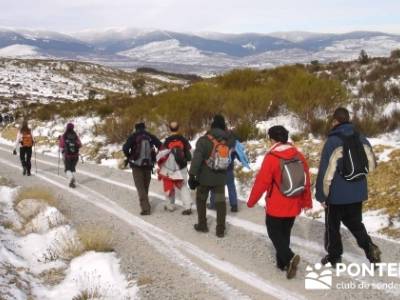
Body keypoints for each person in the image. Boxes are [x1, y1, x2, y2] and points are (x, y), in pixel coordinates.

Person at [315, 107, 380, 267]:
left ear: (335, 121)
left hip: (337, 195)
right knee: (356, 224)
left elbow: (326, 173)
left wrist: (322, 196)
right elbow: (371, 165)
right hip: (357, 192)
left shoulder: (333, 141)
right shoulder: (362, 138)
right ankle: (370, 248)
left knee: (333, 227)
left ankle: (334, 257)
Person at [247, 125, 312, 279]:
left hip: (276, 204)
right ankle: (282, 263)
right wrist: (306, 201)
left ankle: (289, 257)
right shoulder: (298, 154)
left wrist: (251, 202)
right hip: (294, 201)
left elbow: (261, 182)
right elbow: (306, 180)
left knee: (274, 231)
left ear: (272, 139)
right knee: (285, 233)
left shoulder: (272, 157)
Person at [189, 114, 234, 238]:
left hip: (204, 178)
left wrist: (192, 175)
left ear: (212, 126)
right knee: (220, 203)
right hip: (220, 177)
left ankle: (202, 225)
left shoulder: (203, 140)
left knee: (201, 200)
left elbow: (197, 159)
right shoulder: (228, 140)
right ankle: (220, 229)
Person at [123, 122, 161, 215]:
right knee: (145, 185)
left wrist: (130, 156)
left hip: (136, 165)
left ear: (136, 128)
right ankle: (145, 203)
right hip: (148, 164)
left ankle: (146, 208)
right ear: (144, 128)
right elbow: (160, 145)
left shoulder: (133, 136)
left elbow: (125, 148)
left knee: (140, 187)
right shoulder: (150, 136)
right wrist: (154, 156)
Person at [209, 131, 250, 212]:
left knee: (217, 187)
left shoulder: (216, 143)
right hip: (229, 169)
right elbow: (239, 155)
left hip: (218, 170)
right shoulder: (233, 144)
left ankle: (215, 204)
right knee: (231, 186)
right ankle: (234, 205)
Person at [158, 121, 193, 215]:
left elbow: (161, 155)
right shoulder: (183, 139)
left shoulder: (167, 141)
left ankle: (170, 206)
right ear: (178, 128)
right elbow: (190, 154)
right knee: (183, 186)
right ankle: (188, 206)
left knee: (169, 185)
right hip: (182, 167)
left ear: (169, 129)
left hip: (170, 167)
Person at [59, 123, 82, 188]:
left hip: (67, 156)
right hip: (75, 156)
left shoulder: (64, 136)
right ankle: (72, 182)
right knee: (72, 168)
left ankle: (71, 179)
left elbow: (61, 145)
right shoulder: (75, 136)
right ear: (73, 128)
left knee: (67, 169)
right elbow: (80, 145)